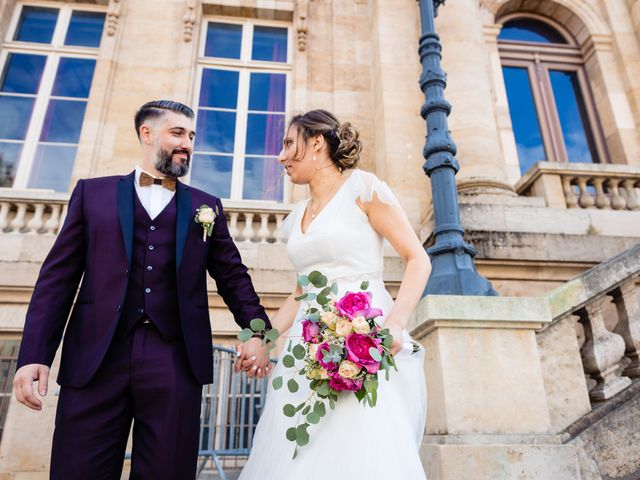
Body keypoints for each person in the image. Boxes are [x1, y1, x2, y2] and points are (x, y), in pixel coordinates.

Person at [12, 100, 272, 480]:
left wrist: (261, 333)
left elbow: (233, 277)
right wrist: (34, 353)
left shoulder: (206, 207)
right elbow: (57, 279)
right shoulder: (92, 194)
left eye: (192, 136)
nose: (188, 144)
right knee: (78, 469)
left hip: (175, 359)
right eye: (178, 133)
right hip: (96, 358)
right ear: (146, 134)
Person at [238, 110, 430, 479]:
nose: (280, 157)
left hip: (360, 337)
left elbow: (418, 259)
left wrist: (395, 324)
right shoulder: (295, 218)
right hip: (305, 348)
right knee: (299, 450)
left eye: (288, 144)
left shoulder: (364, 189)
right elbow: (300, 292)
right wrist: (264, 339)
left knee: (357, 441)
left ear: (316, 144)